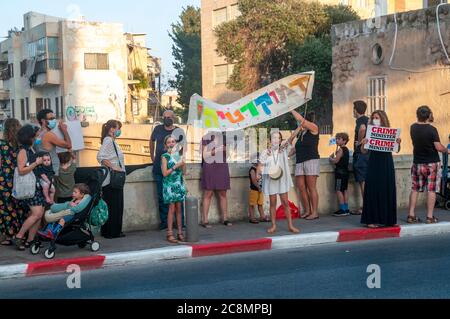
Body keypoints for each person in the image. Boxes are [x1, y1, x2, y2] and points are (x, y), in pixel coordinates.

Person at [360, 110, 401, 228]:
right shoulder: (369, 131)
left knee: (387, 188)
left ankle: (388, 219)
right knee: (373, 189)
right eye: (373, 118)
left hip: (387, 163)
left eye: (377, 117)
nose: (375, 119)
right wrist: (363, 143)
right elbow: (364, 151)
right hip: (374, 163)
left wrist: (398, 142)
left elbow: (397, 149)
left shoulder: (390, 132)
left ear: (383, 118)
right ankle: (371, 220)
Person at [408, 106, 448, 224]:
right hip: (431, 163)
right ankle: (430, 217)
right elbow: (438, 147)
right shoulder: (432, 130)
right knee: (431, 190)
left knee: (415, 189)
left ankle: (411, 215)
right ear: (429, 115)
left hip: (417, 162)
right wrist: (446, 150)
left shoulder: (413, 127)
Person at [150, 110, 186, 230]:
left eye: (169, 117)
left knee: (178, 198)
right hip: (159, 168)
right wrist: (152, 157)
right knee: (162, 196)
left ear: (174, 118)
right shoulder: (157, 129)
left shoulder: (179, 131)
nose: (167, 119)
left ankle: (180, 223)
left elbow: (183, 147)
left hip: (175, 170)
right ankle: (165, 223)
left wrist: (180, 158)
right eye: (165, 117)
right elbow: (151, 141)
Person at [13, 125, 46, 250]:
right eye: (35, 135)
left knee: (39, 213)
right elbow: (21, 170)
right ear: (29, 137)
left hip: (36, 185)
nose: (36, 137)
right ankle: (19, 236)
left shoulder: (30, 149)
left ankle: (30, 240)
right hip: (29, 187)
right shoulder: (23, 151)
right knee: (37, 213)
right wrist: (36, 163)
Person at [261, 131, 300, 234]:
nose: (275, 140)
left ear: (280, 140)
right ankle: (273, 225)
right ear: (270, 140)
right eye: (273, 138)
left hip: (281, 180)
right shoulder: (265, 152)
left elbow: (291, 138)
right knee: (272, 203)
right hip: (271, 180)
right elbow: (261, 165)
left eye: (278, 138)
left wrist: (299, 127)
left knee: (285, 203)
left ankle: (290, 225)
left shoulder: (283, 150)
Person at [289, 110, 320, 220]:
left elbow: (300, 120)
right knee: (301, 187)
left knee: (311, 187)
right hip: (300, 161)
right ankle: (308, 210)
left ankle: (315, 212)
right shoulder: (302, 132)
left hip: (311, 160)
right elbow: (291, 142)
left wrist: (290, 109)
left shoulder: (314, 128)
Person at [97, 120, 126, 238]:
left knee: (115, 205)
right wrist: (115, 167)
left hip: (113, 180)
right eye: (118, 128)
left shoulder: (111, 141)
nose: (119, 131)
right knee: (114, 206)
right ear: (112, 129)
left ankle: (113, 231)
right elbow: (100, 157)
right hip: (111, 180)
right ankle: (112, 232)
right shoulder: (108, 140)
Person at [0, 119, 26, 246]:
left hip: (4, 181)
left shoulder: (2, 145)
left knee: (6, 208)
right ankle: (21, 233)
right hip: (20, 180)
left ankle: (9, 235)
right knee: (19, 206)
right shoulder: (22, 145)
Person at [201, 131, 232, 228]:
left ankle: (225, 218)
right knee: (208, 193)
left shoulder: (225, 138)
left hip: (222, 167)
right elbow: (205, 156)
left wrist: (226, 150)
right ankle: (205, 220)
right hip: (209, 167)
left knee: (223, 193)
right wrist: (216, 150)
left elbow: (227, 156)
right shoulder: (206, 138)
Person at [161, 136, 187, 243]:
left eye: (173, 141)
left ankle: (180, 232)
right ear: (166, 145)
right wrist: (176, 166)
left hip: (179, 184)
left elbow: (184, 172)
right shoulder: (165, 156)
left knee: (179, 209)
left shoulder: (178, 156)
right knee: (171, 209)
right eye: (169, 142)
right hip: (170, 185)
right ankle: (170, 233)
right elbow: (164, 173)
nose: (171, 143)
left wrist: (183, 163)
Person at [36, 109, 72, 177]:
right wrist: (64, 130)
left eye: (54, 118)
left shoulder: (38, 133)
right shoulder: (49, 135)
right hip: (52, 170)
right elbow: (69, 145)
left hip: (43, 169)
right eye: (51, 118)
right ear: (43, 121)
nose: (54, 120)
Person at [352, 101, 370, 215]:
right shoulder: (369, 120)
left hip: (361, 155)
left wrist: (359, 141)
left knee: (363, 181)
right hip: (369, 153)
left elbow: (362, 129)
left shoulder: (360, 121)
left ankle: (365, 206)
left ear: (355, 110)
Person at [329, 133, 350, 217]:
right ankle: (346, 208)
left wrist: (330, 158)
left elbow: (336, 161)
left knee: (338, 190)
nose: (337, 140)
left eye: (339, 139)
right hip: (345, 172)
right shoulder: (346, 149)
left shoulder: (341, 149)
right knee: (344, 190)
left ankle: (342, 209)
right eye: (336, 139)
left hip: (340, 173)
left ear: (344, 141)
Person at [248, 154, 269, 224]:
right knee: (252, 204)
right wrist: (258, 187)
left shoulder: (259, 169)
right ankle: (252, 217)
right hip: (254, 189)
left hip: (260, 189)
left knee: (260, 203)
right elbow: (254, 180)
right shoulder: (252, 170)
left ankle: (262, 216)